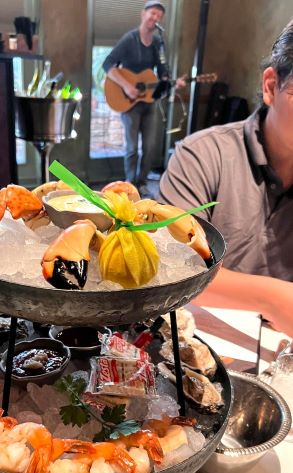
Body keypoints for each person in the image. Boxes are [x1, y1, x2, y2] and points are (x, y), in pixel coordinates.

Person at [160, 20, 293, 338]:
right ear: (271, 87)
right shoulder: (201, 156)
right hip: (203, 340)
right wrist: (273, 298)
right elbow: (175, 269)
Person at [103, 1, 184, 191]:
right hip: (128, 102)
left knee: (149, 147)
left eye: (159, 16)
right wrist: (127, 86)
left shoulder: (158, 43)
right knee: (132, 148)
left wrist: (171, 82)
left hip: (149, 101)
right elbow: (108, 64)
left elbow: (163, 72)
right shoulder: (129, 40)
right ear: (143, 14)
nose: (155, 18)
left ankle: (142, 183)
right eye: (152, 13)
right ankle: (129, 185)